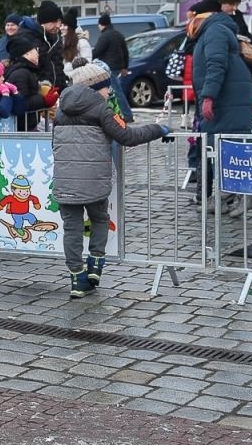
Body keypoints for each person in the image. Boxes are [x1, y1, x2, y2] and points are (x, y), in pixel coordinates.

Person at [51, 63, 169, 298]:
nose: (109, 92)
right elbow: (127, 135)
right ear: (95, 88)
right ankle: (96, 263)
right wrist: (159, 128)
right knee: (99, 218)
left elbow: (55, 144)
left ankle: (77, 279)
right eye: (106, 87)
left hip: (65, 181)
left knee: (72, 228)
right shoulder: (101, 109)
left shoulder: (60, 111)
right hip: (94, 181)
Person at [188, 0, 252, 192]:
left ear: (203, 16)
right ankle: (224, 196)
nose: (190, 23)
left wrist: (208, 97)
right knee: (222, 148)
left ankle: (235, 194)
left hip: (224, 101)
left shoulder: (214, 31)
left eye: (193, 17)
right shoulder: (214, 30)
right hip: (227, 99)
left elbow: (215, 65)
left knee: (222, 149)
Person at [5, 37, 50, 131]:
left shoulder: (26, 71)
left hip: (29, 125)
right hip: (24, 128)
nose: (38, 53)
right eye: (35, 50)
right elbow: (21, 103)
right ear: (26, 53)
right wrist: (44, 99)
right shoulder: (21, 74)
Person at [92, 13, 131, 111]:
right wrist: (125, 67)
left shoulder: (105, 36)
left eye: (99, 25)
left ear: (102, 24)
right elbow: (125, 52)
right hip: (118, 66)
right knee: (114, 91)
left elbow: (97, 51)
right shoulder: (118, 34)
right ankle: (115, 112)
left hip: (109, 67)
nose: (98, 27)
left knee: (116, 92)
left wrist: (88, 57)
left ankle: (126, 114)